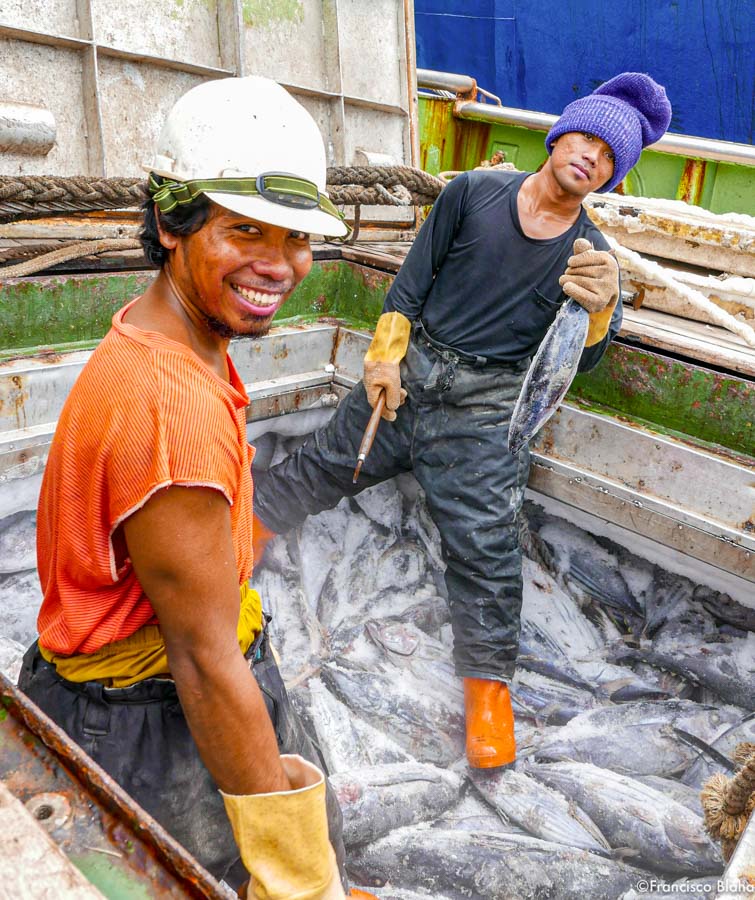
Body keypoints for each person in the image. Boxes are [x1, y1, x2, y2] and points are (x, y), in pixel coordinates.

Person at [18, 75, 376, 900]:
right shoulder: (170, 408)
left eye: (295, 238)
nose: (279, 264)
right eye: (244, 230)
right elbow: (205, 662)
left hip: (123, 686)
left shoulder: (160, 337)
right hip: (146, 721)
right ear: (173, 225)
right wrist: (296, 878)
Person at [252, 73, 672, 769]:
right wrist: (384, 362)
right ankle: (239, 542)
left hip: (485, 411)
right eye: (585, 137)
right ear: (557, 134)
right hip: (408, 377)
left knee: (486, 550)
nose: (589, 156)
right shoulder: (471, 194)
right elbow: (410, 285)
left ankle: (486, 695)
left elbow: (581, 363)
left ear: (610, 177)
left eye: (607, 156)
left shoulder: (590, 255)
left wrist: (600, 311)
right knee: (324, 464)